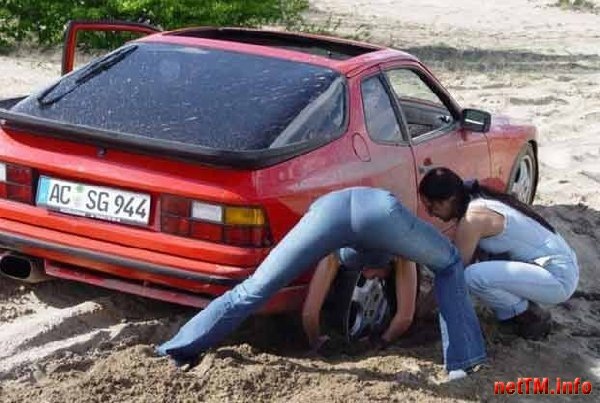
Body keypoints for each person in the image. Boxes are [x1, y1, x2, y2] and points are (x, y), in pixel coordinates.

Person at [156, 187, 487, 379]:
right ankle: (464, 363)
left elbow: (399, 316)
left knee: (253, 288)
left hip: (329, 210)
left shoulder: (356, 255)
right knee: (450, 262)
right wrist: (362, 344)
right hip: (379, 211)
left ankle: (177, 349)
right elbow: (401, 316)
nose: (371, 277)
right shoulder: (401, 252)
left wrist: (320, 342)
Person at [418, 167, 579, 339]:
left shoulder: (473, 218)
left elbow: (453, 272)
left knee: (472, 276)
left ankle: (529, 316)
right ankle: (519, 309)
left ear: (450, 199)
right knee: (482, 265)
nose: (430, 213)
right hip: (557, 268)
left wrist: (420, 312)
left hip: (558, 277)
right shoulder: (478, 201)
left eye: (432, 206)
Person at [301, 249, 417, 353]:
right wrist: (382, 341)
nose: (367, 276)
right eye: (362, 268)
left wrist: (315, 340)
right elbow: (405, 317)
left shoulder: (333, 247)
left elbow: (309, 313)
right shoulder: (402, 251)